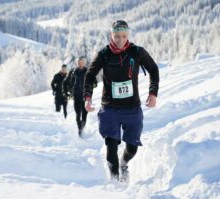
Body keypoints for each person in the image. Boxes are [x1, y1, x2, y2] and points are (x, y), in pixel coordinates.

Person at [83, 20, 159, 182]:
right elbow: (89, 76)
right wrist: (87, 97)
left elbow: (153, 69)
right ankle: (115, 183)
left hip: (132, 108)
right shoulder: (103, 54)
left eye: (124, 36)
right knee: (111, 145)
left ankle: (124, 163)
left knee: (132, 147)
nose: (120, 39)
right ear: (111, 35)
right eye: (117, 36)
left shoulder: (137, 52)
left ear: (128, 35)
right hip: (110, 108)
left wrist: (153, 93)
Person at [63, 57, 97, 137]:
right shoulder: (73, 72)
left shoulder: (88, 72)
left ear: (84, 63)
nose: (80, 64)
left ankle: (82, 128)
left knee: (84, 115)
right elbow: (65, 83)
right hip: (76, 96)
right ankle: (79, 129)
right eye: (79, 62)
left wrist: (91, 86)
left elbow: (95, 83)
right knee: (78, 114)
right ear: (77, 63)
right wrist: (67, 93)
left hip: (86, 97)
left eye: (82, 62)